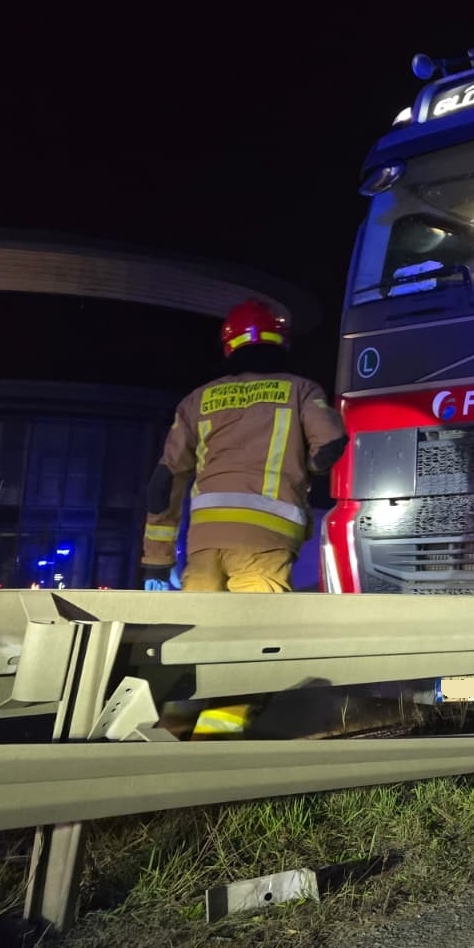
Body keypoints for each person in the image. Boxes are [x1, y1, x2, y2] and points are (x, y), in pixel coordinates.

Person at [140, 299, 347, 735]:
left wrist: (156, 559)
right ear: (282, 343)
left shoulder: (198, 400)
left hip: (204, 542)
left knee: (196, 634)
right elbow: (329, 443)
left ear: (229, 346)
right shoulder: (301, 390)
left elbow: (164, 483)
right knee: (253, 639)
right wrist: (308, 466)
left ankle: (170, 723)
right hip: (264, 540)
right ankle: (220, 731)